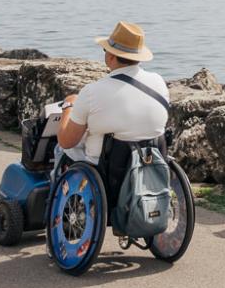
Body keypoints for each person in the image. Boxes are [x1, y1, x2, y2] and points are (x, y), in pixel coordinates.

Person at [56, 21, 169, 206]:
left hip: (108, 176)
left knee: (61, 149)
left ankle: (61, 209)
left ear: (110, 57)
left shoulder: (92, 92)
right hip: (151, 166)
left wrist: (69, 105)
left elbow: (66, 141)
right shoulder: (158, 82)